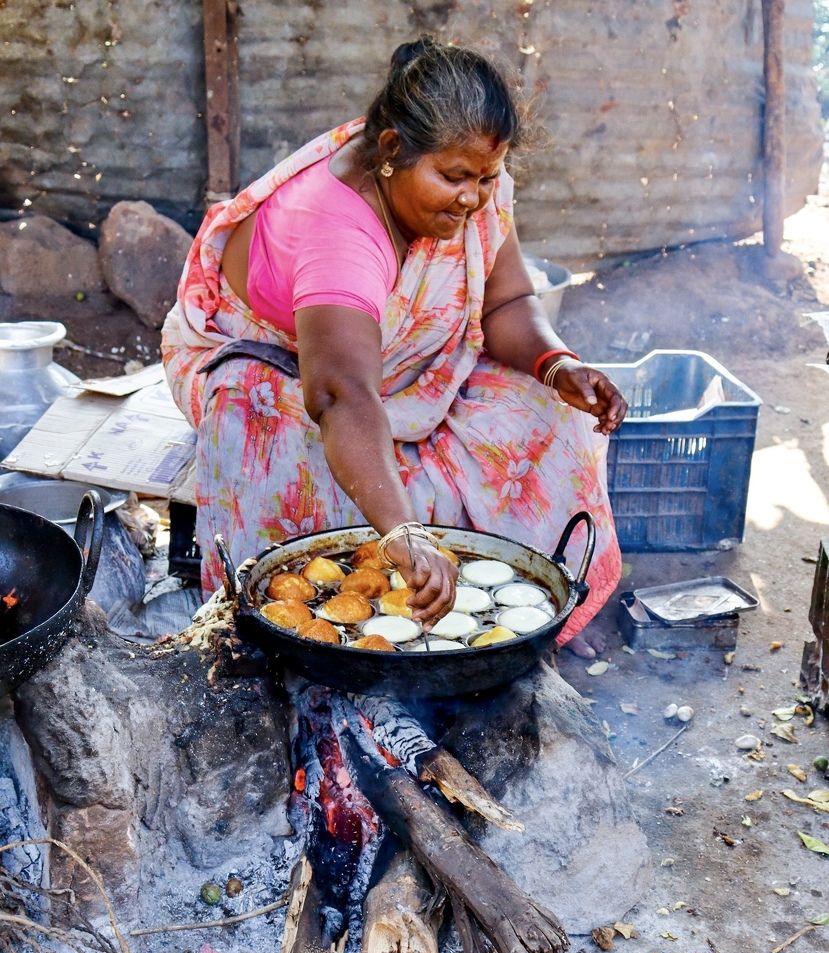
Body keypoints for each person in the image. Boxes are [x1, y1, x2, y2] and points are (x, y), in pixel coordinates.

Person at [162, 36, 627, 654]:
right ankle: (302, 637)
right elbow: (338, 393)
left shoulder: (466, 177)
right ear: (390, 152)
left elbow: (507, 301)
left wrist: (556, 364)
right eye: (455, 178)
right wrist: (401, 529)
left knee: (542, 411)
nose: (473, 197)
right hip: (286, 367)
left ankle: (526, 620)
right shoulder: (339, 231)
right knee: (277, 437)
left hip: (398, 370)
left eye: (487, 177)